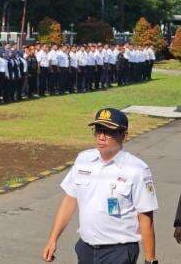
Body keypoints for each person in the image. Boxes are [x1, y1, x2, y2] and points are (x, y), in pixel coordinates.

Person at [43, 108, 158, 264]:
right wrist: (53, 239)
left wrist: (150, 260)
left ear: (124, 136)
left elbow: (145, 217)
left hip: (119, 252)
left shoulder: (136, 169)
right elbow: (70, 200)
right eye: (98, 131)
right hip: (86, 249)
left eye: (108, 132)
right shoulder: (83, 159)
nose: (102, 137)